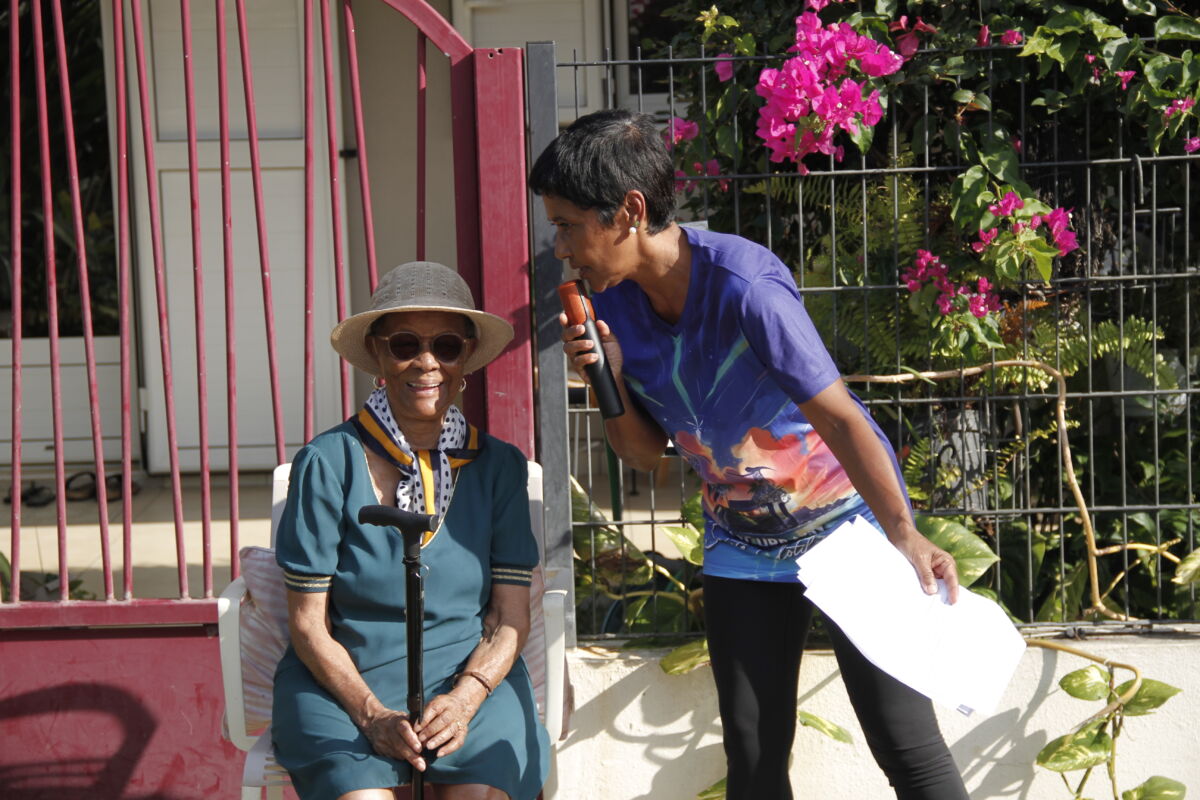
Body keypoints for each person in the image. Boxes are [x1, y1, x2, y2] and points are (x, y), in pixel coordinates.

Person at [531, 109, 969, 800]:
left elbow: (841, 417)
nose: (560, 247)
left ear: (629, 212)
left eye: (567, 225)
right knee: (755, 762)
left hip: (845, 528)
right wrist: (603, 379)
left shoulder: (745, 285)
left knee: (905, 747)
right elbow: (642, 455)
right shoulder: (611, 303)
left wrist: (903, 532)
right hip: (741, 543)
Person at [271, 261, 550, 800]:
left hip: (469, 678)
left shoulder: (500, 468)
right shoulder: (326, 462)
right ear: (377, 353)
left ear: (466, 356)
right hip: (344, 683)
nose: (426, 363)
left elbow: (508, 617)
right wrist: (371, 713)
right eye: (404, 345)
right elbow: (308, 625)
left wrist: (466, 699)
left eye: (446, 346)